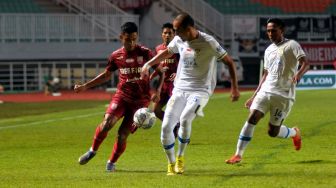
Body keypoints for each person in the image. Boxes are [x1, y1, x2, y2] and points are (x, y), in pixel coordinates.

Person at [141, 13, 240, 175]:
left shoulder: (208, 42)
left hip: (201, 90)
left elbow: (229, 62)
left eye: (177, 30)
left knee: (185, 119)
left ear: (188, 29)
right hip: (180, 89)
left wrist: (234, 87)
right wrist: (148, 64)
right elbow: (167, 52)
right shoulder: (180, 39)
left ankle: (180, 157)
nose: (175, 33)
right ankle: (171, 163)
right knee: (166, 127)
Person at [75, 22, 162, 172]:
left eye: (134, 39)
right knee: (107, 123)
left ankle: (111, 163)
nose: (132, 42)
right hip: (122, 96)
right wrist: (85, 86)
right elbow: (106, 76)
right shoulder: (116, 56)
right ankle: (92, 151)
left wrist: (158, 91)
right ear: (121, 37)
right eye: (128, 39)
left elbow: (161, 73)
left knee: (122, 135)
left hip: (140, 102)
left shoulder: (146, 53)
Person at [225, 18, 310, 164]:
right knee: (252, 118)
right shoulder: (268, 50)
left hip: (283, 95)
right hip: (266, 91)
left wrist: (298, 75)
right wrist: (254, 95)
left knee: (272, 132)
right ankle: (238, 155)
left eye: (273, 30)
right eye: (268, 30)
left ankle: (294, 133)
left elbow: (305, 63)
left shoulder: (292, 45)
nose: (270, 33)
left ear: (281, 30)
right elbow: (265, 74)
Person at [150, 23, 180, 137]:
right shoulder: (158, 49)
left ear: (174, 34)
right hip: (162, 85)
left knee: (173, 111)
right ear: (162, 35)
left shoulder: (178, 49)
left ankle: (182, 133)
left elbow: (185, 65)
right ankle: (175, 125)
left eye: (170, 33)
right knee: (156, 110)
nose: (167, 35)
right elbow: (157, 66)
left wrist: (177, 73)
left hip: (175, 85)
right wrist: (151, 75)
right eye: (165, 33)